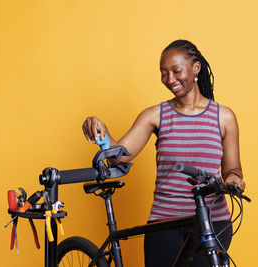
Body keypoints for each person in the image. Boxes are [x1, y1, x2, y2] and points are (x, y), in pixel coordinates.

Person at [82, 39, 246, 267]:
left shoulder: (224, 117)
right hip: (165, 223)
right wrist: (101, 130)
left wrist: (233, 179)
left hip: (212, 222)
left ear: (195, 68)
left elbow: (233, 168)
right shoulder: (155, 115)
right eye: (163, 73)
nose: (170, 80)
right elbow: (120, 155)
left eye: (176, 71)